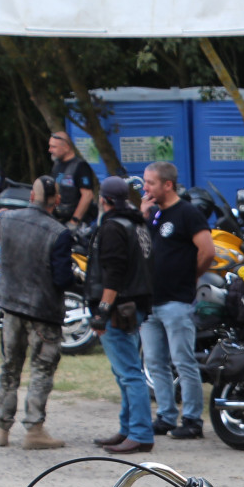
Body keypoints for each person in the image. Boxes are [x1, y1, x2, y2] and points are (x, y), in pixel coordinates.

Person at [0, 176, 71, 450]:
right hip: (43, 311)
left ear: (31, 197)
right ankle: (34, 428)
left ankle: (1, 429)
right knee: (42, 368)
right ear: (56, 200)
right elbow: (62, 279)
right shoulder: (59, 232)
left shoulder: (6, 220)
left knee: (10, 367)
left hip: (11, 306)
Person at [140, 160, 213, 439]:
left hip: (176, 301)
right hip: (150, 302)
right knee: (155, 362)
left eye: (150, 183)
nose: (145, 188)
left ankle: (192, 420)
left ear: (167, 185)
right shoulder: (153, 215)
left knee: (183, 361)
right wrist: (142, 215)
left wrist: (191, 275)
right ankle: (166, 416)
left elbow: (207, 251)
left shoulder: (187, 213)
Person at [88, 176, 156, 455]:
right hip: (133, 305)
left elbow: (114, 273)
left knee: (129, 373)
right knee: (125, 372)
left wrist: (102, 311)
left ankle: (139, 433)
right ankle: (128, 429)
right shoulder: (136, 223)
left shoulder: (113, 227)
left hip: (119, 309)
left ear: (104, 200)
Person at [47, 130, 98, 225]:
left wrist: (74, 221)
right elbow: (56, 188)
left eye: (53, 147)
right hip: (58, 220)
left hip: (76, 222)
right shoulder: (57, 165)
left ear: (66, 147)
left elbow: (87, 195)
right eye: (50, 146)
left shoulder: (81, 166)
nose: (50, 150)